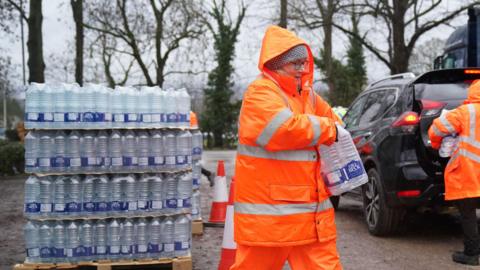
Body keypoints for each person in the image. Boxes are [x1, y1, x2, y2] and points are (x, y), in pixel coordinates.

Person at [231, 25, 342, 270]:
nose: (302, 69)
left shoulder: (307, 96)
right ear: (277, 64)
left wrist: (333, 128)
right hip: (270, 223)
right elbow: (281, 130)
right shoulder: (260, 92)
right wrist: (327, 128)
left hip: (311, 219)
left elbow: (336, 123)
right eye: (296, 63)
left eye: (304, 63)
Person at [428, 80, 480, 266]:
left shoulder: (466, 112)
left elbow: (436, 129)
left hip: (468, 172)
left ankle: (472, 254)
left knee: (468, 214)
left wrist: (436, 147)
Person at [190, 111, 215, 186]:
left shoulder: (187, 113)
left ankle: (209, 174)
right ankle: (208, 174)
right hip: (192, 134)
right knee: (191, 162)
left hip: (189, 134)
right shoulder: (191, 113)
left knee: (190, 162)